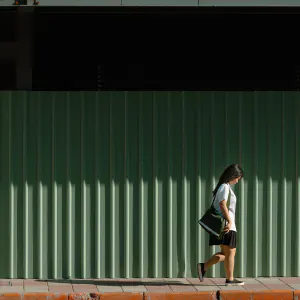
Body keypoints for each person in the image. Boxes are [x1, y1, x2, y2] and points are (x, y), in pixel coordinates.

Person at [197, 164, 244, 286]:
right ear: (233, 175)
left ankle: (203, 267)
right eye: (238, 178)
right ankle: (230, 280)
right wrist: (229, 221)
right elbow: (223, 204)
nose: (238, 181)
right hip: (227, 225)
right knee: (230, 253)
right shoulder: (225, 187)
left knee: (226, 254)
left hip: (226, 225)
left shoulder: (225, 186)